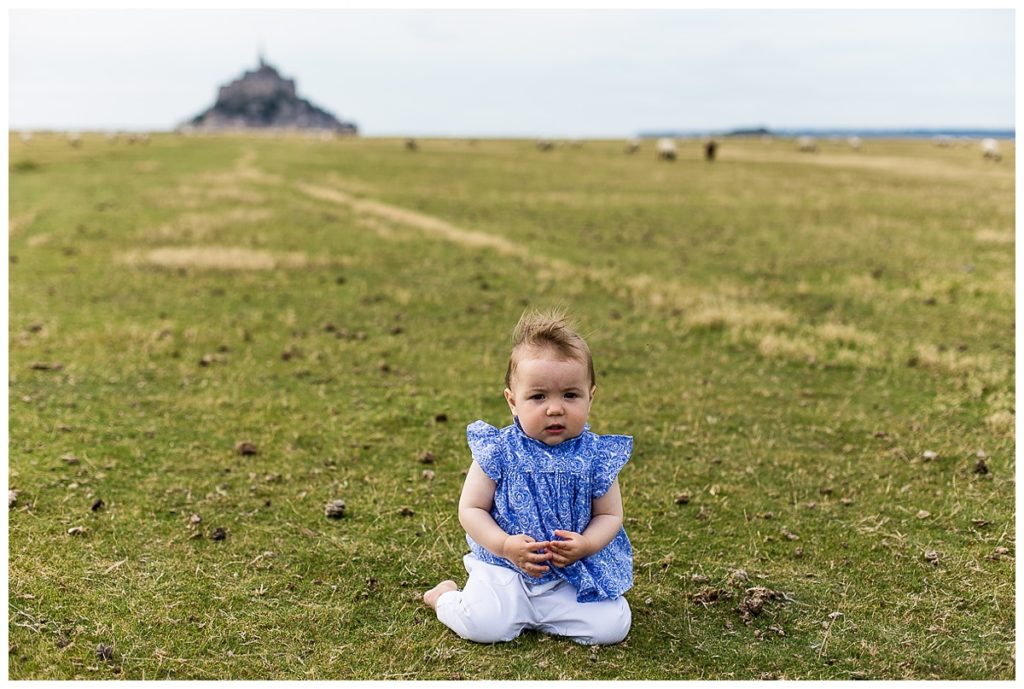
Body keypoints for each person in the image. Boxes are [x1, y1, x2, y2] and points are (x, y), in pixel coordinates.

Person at [423, 309, 633, 645]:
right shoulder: (499, 449)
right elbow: (471, 509)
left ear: (590, 396)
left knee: (613, 625)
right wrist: (504, 546)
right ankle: (445, 597)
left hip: (569, 575)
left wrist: (587, 545)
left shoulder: (597, 455)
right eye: (538, 396)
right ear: (513, 401)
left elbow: (609, 514)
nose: (554, 408)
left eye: (570, 395)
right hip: (505, 571)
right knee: (482, 626)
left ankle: (540, 614)